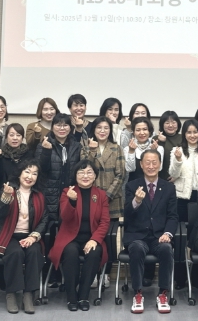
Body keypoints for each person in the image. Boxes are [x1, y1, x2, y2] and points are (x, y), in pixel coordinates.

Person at [0, 160, 47, 314]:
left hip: (30, 236)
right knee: (15, 253)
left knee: (34, 252)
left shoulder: (40, 195)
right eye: (27, 172)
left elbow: (44, 219)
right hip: (8, 235)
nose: (30, 176)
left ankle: (28, 294)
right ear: (19, 173)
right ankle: (11, 294)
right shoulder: (8, 190)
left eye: (34, 174)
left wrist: (33, 237)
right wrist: (6, 197)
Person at [49, 160, 110, 311]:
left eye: (89, 172)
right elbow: (65, 217)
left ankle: (83, 295)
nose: (85, 176)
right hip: (70, 237)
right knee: (70, 252)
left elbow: (104, 222)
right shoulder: (67, 192)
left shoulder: (101, 195)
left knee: (94, 252)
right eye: (81, 172)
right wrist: (72, 201)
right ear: (75, 176)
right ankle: (71, 296)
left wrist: (95, 240)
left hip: (92, 237)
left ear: (95, 176)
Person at [124, 149, 178, 314]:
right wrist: (136, 201)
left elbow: (173, 216)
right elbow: (127, 214)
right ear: (141, 164)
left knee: (166, 249)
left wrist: (167, 234)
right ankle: (138, 293)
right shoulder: (132, 185)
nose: (151, 166)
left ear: (160, 165)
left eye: (155, 162)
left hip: (159, 236)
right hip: (137, 236)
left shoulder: (169, 187)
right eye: (147, 162)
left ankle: (163, 293)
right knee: (137, 248)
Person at [82, 116, 124, 288]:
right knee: (92, 235)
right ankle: (93, 273)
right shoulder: (86, 147)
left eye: (106, 128)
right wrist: (91, 151)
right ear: (94, 130)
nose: (102, 131)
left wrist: (107, 196)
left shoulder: (116, 148)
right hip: (90, 199)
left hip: (112, 200)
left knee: (108, 238)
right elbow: (84, 170)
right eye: (99, 127)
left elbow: (121, 175)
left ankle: (106, 273)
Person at [35, 113, 82, 222]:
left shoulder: (77, 146)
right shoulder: (43, 144)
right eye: (58, 125)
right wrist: (46, 152)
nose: (62, 128)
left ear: (70, 128)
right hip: (49, 194)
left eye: (65, 125)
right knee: (49, 226)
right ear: (52, 127)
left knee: (68, 224)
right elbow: (41, 170)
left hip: (69, 193)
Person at [169, 120, 198, 222]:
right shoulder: (177, 150)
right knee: (182, 224)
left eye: (195, 132)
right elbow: (173, 174)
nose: (192, 135)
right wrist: (178, 159)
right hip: (182, 195)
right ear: (184, 134)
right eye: (189, 132)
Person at [0, 123, 32, 196]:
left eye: (18, 135)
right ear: (6, 137)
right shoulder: (1, 154)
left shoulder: (29, 155)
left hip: (24, 193)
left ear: (22, 138)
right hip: (4, 194)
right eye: (11, 135)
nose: (15, 138)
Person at [124, 117, 163, 182]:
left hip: (153, 184)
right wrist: (131, 151)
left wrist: (154, 153)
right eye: (138, 130)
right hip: (133, 184)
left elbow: (159, 169)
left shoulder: (158, 148)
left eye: (145, 129)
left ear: (149, 131)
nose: (142, 133)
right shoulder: (128, 148)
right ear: (133, 132)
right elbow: (130, 169)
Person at [158, 111, 183, 181]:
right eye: (167, 123)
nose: (170, 125)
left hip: (180, 178)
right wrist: (161, 143)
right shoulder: (156, 139)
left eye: (173, 122)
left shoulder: (183, 138)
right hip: (160, 178)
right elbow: (157, 159)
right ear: (162, 125)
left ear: (178, 124)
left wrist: (176, 176)